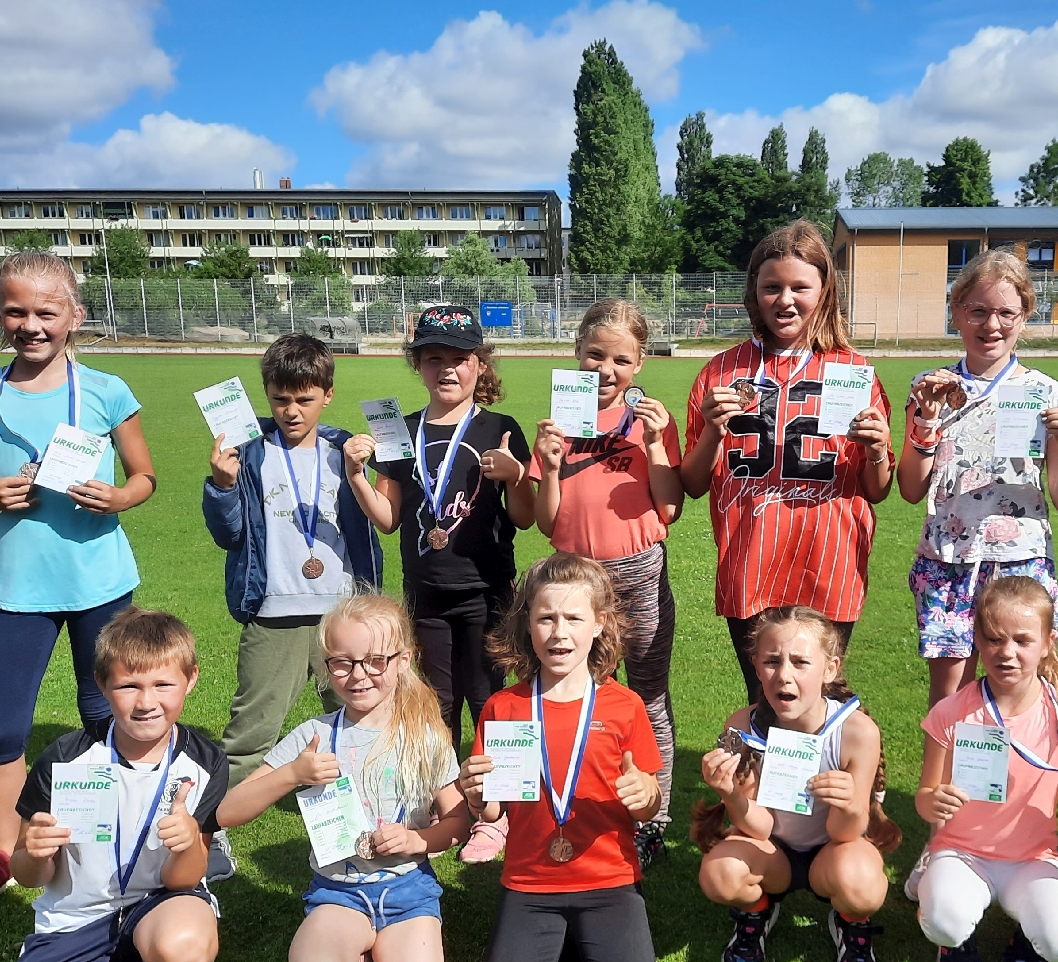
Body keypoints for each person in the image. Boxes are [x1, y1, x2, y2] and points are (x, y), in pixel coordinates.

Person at [0, 251, 158, 917]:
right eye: (15, 311)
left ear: (74, 316)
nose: (31, 324)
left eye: (46, 311)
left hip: (100, 583)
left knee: (106, 716)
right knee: (2, 729)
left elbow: (144, 476)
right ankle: (1, 855)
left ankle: (118, 837)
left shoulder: (106, 390)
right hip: (22, 591)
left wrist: (118, 498)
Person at [897, 249, 1058, 902]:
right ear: (956, 312)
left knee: (1026, 704)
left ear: (1026, 315)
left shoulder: (1045, 393)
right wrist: (923, 426)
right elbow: (910, 487)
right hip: (950, 564)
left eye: (1006, 312)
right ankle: (943, 842)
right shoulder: (931, 386)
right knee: (953, 708)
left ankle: (1028, 839)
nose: (991, 324)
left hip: (1022, 568)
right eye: (977, 310)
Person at [219, 593, 469, 962]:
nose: (358, 675)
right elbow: (228, 811)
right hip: (339, 893)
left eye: (375, 661)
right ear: (326, 664)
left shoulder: (426, 734)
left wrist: (417, 840)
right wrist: (292, 774)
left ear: (403, 660)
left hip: (408, 893)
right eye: (342, 662)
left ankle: (383, 955)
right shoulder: (313, 736)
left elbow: (457, 822)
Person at [0, 608, 225, 962]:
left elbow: (184, 876)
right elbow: (29, 874)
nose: (147, 702)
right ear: (101, 684)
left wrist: (187, 843)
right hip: (74, 920)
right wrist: (33, 852)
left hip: (158, 904)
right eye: (128, 686)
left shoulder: (205, 761)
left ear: (191, 680)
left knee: (184, 947)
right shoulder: (65, 758)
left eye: (163, 685)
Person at [345, 304, 534, 865]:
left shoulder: (500, 428)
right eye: (434, 359)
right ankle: (446, 806)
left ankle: (498, 813)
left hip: (486, 590)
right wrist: (356, 474)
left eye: (459, 358)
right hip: (425, 591)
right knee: (434, 703)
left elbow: (524, 517)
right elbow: (388, 518)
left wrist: (517, 476)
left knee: (490, 700)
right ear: (418, 365)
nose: (447, 369)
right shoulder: (398, 429)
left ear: (480, 364)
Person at [680, 220, 894, 703]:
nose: (785, 300)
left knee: (823, 702)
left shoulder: (854, 371)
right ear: (753, 291)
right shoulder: (720, 372)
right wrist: (713, 430)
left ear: (825, 290)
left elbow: (877, 489)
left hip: (830, 566)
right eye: (771, 287)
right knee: (765, 702)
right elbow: (693, 483)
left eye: (800, 287)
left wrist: (878, 450)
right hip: (751, 564)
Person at [460, 553, 664, 962]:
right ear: (527, 623)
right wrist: (479, 798)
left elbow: (648, 802)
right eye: (546, 618)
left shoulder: (625, 706)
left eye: (573, 618)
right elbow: (494, 809)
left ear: (599, 624)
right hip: (531, 883)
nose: (559, 633)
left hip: (609, 881)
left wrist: (645, 794)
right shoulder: (504, 707)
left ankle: (579, 945)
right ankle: (568, 946)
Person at [531, 299, 683, 866]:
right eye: (595, 355)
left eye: (621, 360)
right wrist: (549, 467)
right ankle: (582, 802)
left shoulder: (650, 423)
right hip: (576, 581)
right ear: (577, 352)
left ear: (639, 363)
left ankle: (653, 817)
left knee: (648, 697)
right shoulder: (559, 423)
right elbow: (546, 523)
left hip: (639, 573)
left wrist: (656, 443)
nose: (606, 369)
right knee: (581, 695)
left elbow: (669, 510)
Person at [203, 333, 383, 794]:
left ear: (328, 395)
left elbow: (378, 521)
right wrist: (222, 487)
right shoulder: (248, 453)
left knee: (364, 723)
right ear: (266, 394)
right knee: (251, 735)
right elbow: (229, 536)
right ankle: (212, 825)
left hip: (341, 615)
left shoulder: (345, 451)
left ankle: (375, 809)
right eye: (280, 399)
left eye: (305, 400)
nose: (292, 412)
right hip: (274, 615)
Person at [911, 577, 1058, 962]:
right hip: (962, 853)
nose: (1007, 652)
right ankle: (953, 939)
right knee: (945, 920)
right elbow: (924, 799)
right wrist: (934, 802)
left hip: (1032, 858)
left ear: (1048, 643)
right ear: (977, 640)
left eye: (1022, 640)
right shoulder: (952, 712)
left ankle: (1027, 930)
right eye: (994, 639)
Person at [693, 606, 898, 962]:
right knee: (719, 874)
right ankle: (757, 911)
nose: (784, 675)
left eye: (800, 662)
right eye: (772, 661)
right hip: (773, 851)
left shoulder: (857, 732)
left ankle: (851, 923)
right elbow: (760, 826)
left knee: (863, 885)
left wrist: (849, 803)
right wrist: (730, 794)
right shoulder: (743, 726)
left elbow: (845, 833)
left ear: (830, 669)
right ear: (756, 667)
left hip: (834, 849)